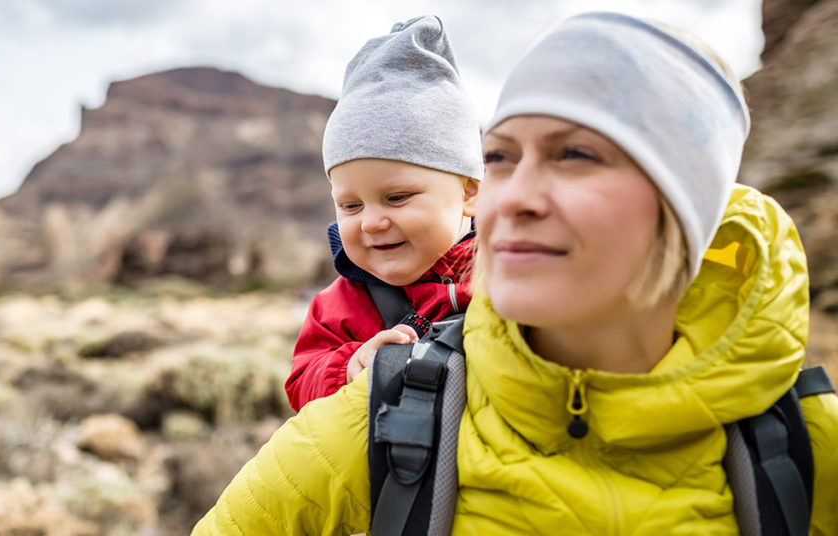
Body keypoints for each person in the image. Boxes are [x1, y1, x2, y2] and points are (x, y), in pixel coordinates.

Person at [193, 12, 838, 534]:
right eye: (502, 156)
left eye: (575, 156)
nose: (517, 196)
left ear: (687, 203)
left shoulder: (805, 448)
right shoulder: (385, 416)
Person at [285, 15, 483, 411]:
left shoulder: (509, 273)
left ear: (468, 192)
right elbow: (301, 383)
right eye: (351, 205)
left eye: (397, 198)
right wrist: (349, 368)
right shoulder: (340, 305)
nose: (371, 222)